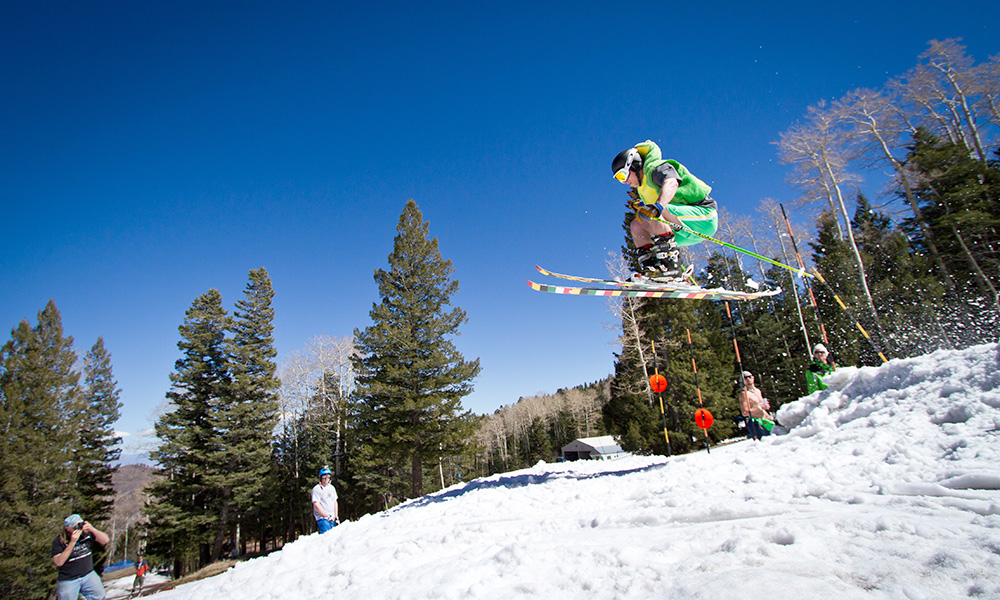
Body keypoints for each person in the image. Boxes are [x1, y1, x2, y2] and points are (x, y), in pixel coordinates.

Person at [612, 140, 718, 279]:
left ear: (635, 165)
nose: (624, 182)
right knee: (637, 224)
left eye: (623, 175)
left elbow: (671, 182)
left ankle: (670, 267)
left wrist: (658, 206)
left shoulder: (656, 168)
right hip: (680, 227)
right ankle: (652, 269)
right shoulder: (642, 188)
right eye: (619, 179)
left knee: (655, 213)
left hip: (704, 216)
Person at [51, 514, 110, 600]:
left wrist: (92, 529)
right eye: (75, 526)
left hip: (88, 575)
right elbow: (58, 562)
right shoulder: (59, 541)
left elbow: (105, 540)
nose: (78, 528)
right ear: (67, 528)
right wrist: (72, 542)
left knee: (99, 597)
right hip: (69, 579)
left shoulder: (87, 534)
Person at [737, 371, 773, 440]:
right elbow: (745, 412)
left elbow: (762, 407)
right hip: (754, 423)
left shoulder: (758, 391)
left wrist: (767, 415)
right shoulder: (744, 394)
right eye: (745, 378)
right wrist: (760, 407)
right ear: (742, 381)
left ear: (753, 378)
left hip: (764, 421)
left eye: (749, 377)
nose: (748, 379)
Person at [311, 466, 339, 533]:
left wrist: (336, 517)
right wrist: (325, 516)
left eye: (328, 476)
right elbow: (316, 504)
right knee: (326, 537)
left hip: (332, 518)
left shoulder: (332, 488)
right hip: (323, 519)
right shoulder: (317, 489)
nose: (326, 478)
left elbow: (335, 502)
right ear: (320, 478)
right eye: (324, 477)